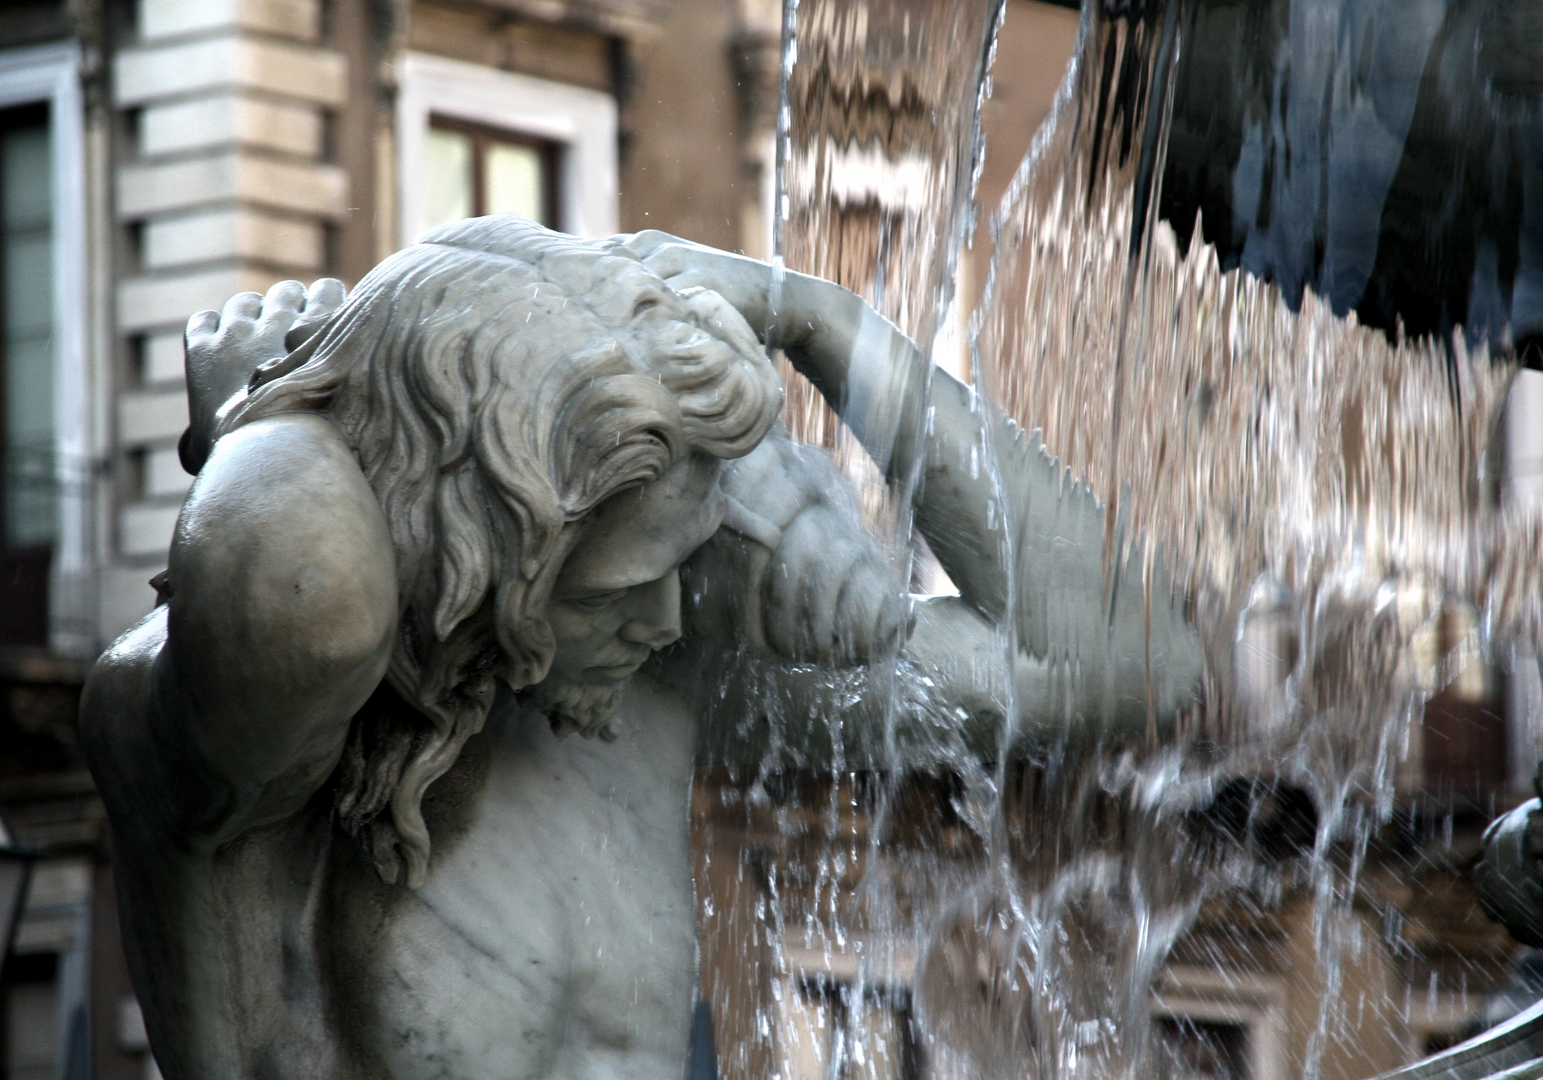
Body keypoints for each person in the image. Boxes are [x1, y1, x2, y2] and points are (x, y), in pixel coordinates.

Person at [81, 217, 1198, 1080]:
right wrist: (271, 419)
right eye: (628, 587)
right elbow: (302, 598)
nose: (670, 619)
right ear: (498, 548)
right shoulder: (235, 759)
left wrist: (811, 318)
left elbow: (1119, 661)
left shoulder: (638, 690)